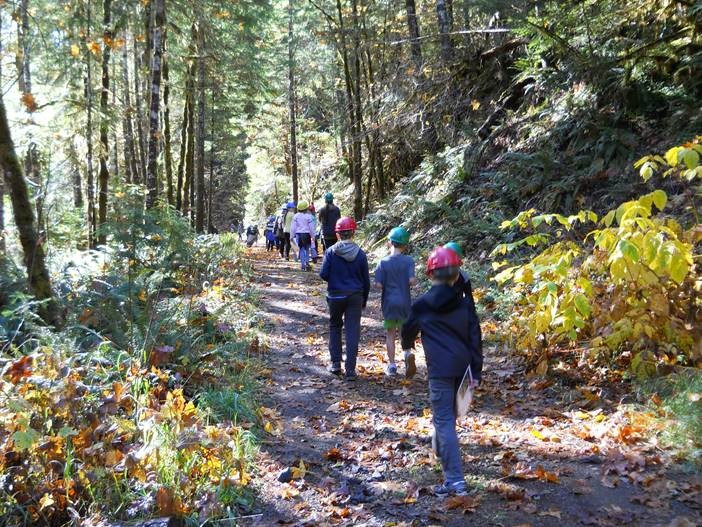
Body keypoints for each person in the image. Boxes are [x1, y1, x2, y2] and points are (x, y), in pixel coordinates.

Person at [401, 247, 483, 497]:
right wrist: (476, 372)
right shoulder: (464, 304)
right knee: (448, 419)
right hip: (465, 369)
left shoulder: (423, 305)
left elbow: (407, 331)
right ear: (456, 274)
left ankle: (455, 481)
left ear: (430, 274)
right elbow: (475, 338)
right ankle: (442, 449)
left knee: (445, 421)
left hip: (440, 371)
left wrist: (407, 347)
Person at [320, 217, 370, 381]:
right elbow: (366, 280)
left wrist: (335, 279)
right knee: (352, 330)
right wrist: (364, 299)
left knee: (335, 326)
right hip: (355, 296)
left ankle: (335, 364)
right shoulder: (361, 254)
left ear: (338, 234)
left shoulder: (331, 252)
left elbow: (324, 274)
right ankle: (350, 370)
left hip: (335, 295)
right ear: (353, 232)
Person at [374, 226, 417, 377]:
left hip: (389, 303)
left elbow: (378, 285)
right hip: (405, 302)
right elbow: (412, 281)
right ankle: (407, 354)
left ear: (389, 243)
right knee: (404, 332)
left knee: (390, 333)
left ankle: (392, 366)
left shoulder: (383, 262)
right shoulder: (409, 261)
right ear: (405, 245)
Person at [290, 200, 316, 271]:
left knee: (301, 249)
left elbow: (293, 227)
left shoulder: (296, 216)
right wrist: (313, 236)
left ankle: (302, 265)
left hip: (298, 235)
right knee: (307, 249)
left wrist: (291, 236)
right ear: (306, 208)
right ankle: (307, 263)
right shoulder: (309, 217)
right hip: (307, 234)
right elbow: (311, 228)